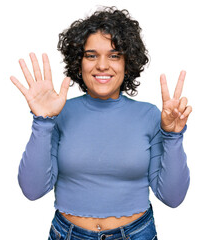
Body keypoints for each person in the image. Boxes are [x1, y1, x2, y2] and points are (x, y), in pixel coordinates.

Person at [10, 6, 192, 240]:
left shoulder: (150, 116)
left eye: (114, 55)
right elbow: (32, 191)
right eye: (91, 55)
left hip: (136, 234)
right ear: (79, 62)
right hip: (68, 234)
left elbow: (173, 197)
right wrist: (43, 121)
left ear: (128, 63)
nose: (102, 65)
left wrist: (173, 136)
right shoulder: (60, 113)